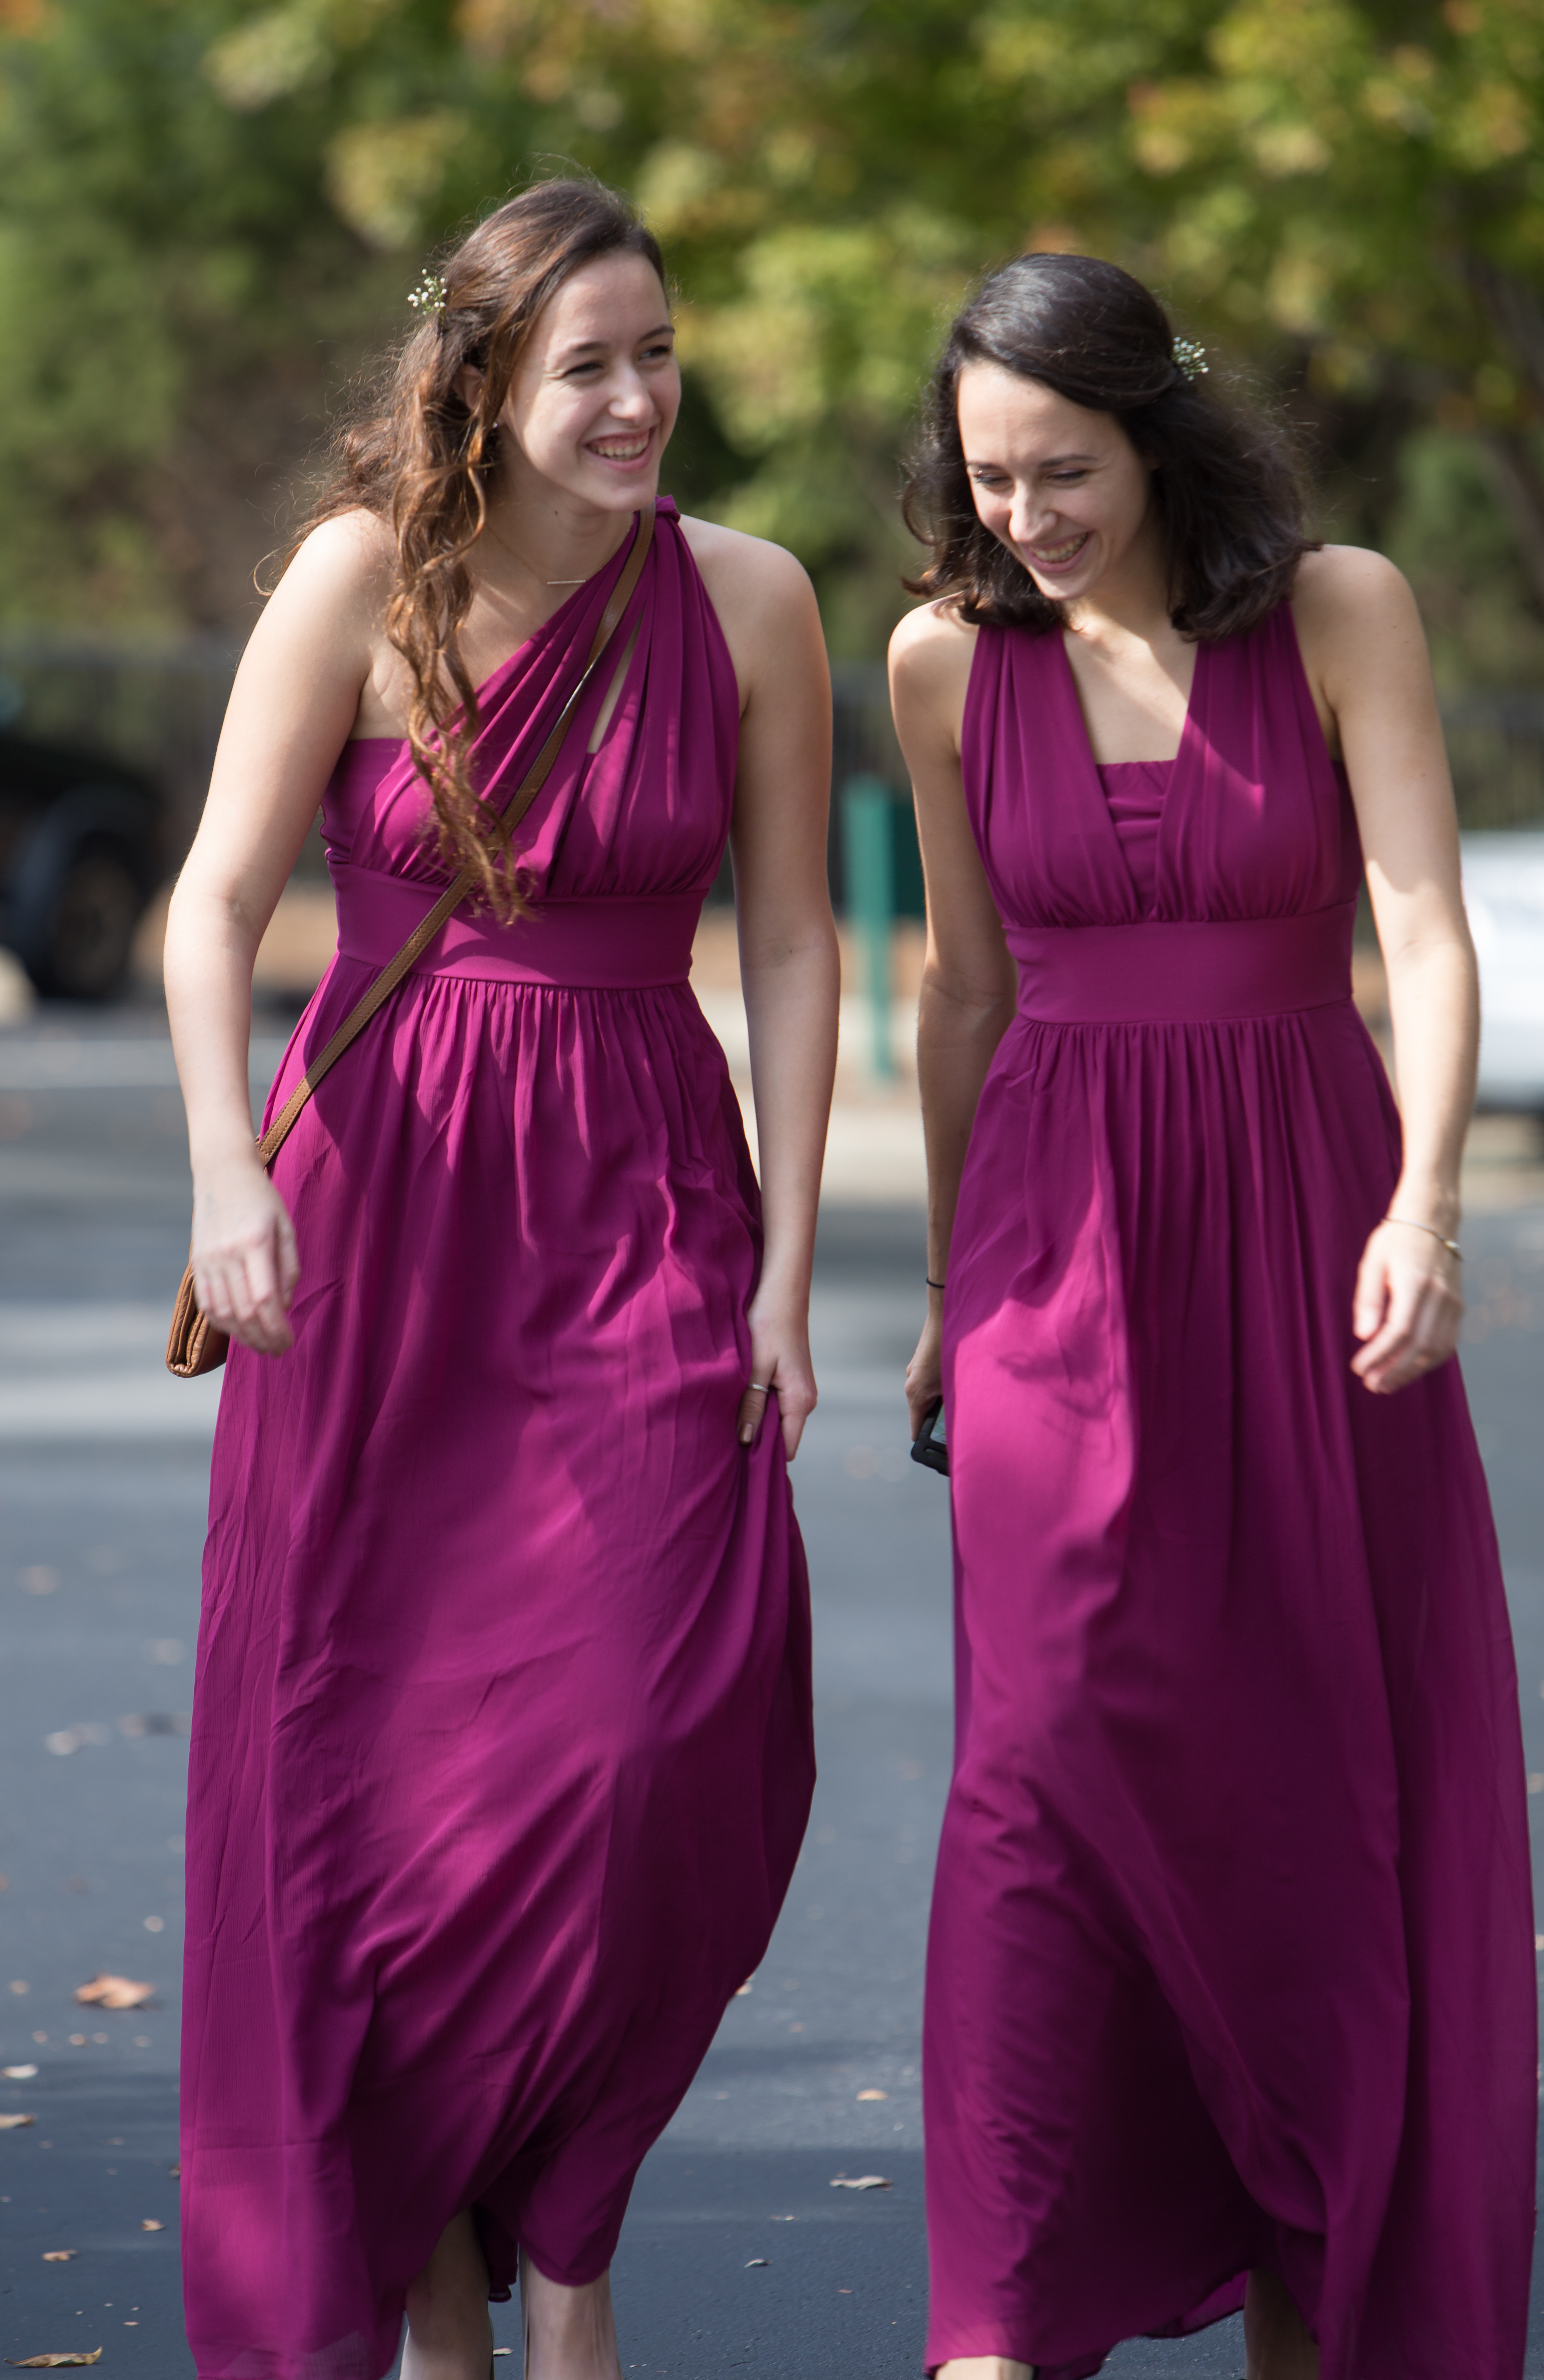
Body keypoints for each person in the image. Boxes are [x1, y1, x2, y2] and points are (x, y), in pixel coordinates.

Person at [164, 177, 837, 2380]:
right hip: (379, 1211)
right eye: (589, 366)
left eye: (662, 354)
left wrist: (791, 1269)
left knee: (653, 1743)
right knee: (373, 1774)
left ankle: (569, 2223)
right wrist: (224, 1176)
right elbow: (211, 903)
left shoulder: (750, 599)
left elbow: (797, 943)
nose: (641, 400)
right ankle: (457, 2290)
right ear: (479, 381)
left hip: (646, 1192)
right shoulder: (365, 578)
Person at [891, 251, 1534, 2380]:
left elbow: (1424, 928)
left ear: (1158, 434)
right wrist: (944, 1292)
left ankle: (1314, 2291)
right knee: (1039, 1763)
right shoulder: (940, 663)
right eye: (991, 479)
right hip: (1053, 1257)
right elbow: (962, 993)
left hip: (1316, 1229)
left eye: (1063, 471)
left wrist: (1426, 1204)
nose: (1028, 517)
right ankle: (1004, 2316)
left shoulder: (1340, 610)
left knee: (1308, 1777)